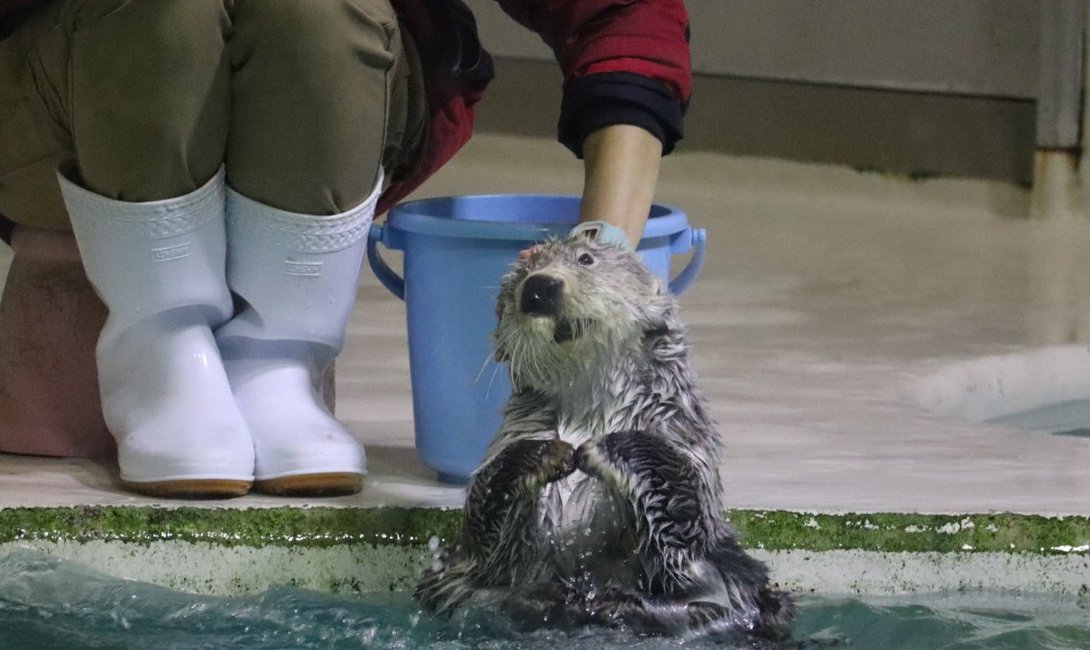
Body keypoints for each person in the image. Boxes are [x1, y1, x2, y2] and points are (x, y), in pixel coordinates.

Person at [0, 0, 691, 498]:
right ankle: (160, 349)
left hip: (339, 85)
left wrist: (602, 251)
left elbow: (623, 14)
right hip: (61, 92)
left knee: (318, 13)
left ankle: (278, 360)